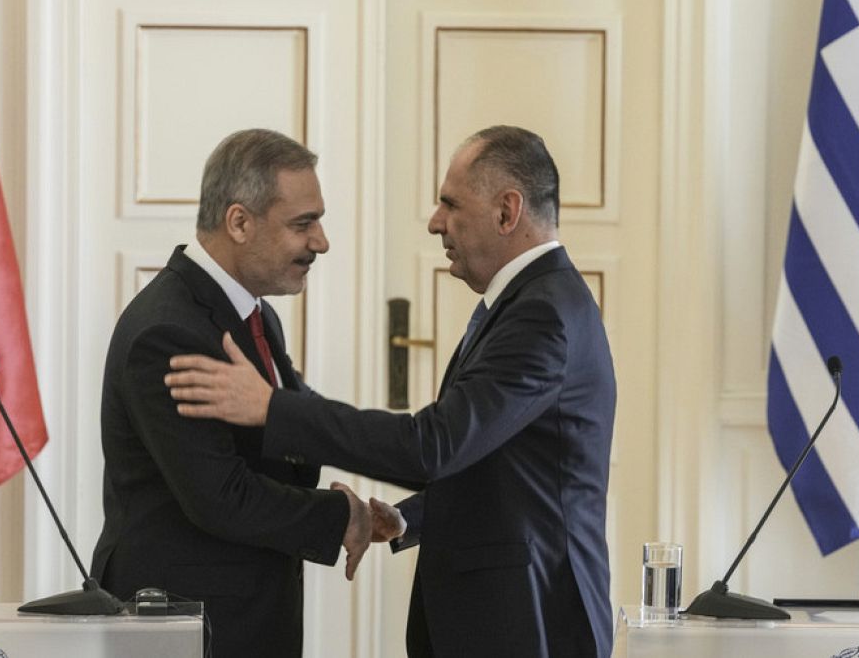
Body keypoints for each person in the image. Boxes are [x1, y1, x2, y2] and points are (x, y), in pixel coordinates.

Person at [166, 125, 617, 658]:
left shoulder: (541, 313)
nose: (435, 222)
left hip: (530, 618)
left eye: (450, 204)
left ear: (506, 211)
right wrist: (412, 517)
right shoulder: (535, 301)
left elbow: (434, 444)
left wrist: (271, 408)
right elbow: (500, 462)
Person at [89, 129, 371, 658]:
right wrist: (338, 518)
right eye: (303, 224)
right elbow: (220, 496)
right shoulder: (168, 330)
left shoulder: (256, 315)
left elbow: (294, 426)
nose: (321, 242)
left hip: (238, 614)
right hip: (186, 622)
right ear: (239, 222)